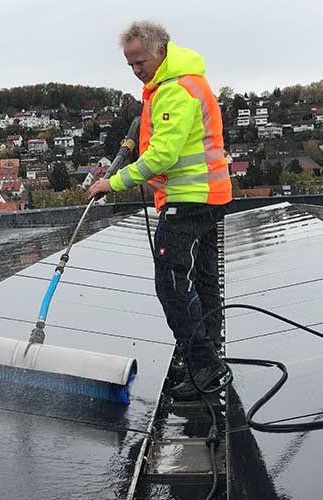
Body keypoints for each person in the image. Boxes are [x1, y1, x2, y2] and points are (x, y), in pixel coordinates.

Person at [88, 20, 232, 400]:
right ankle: (208, 355)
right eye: (130, 65)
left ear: (161, 51)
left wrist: (112, 183)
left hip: (190, 200)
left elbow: (163, 155)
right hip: (207, 196)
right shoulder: (183, 82)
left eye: (140, 62)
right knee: (202, 278)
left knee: (170, 283)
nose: (136, 70)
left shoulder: (174, 89)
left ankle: (204, 363)